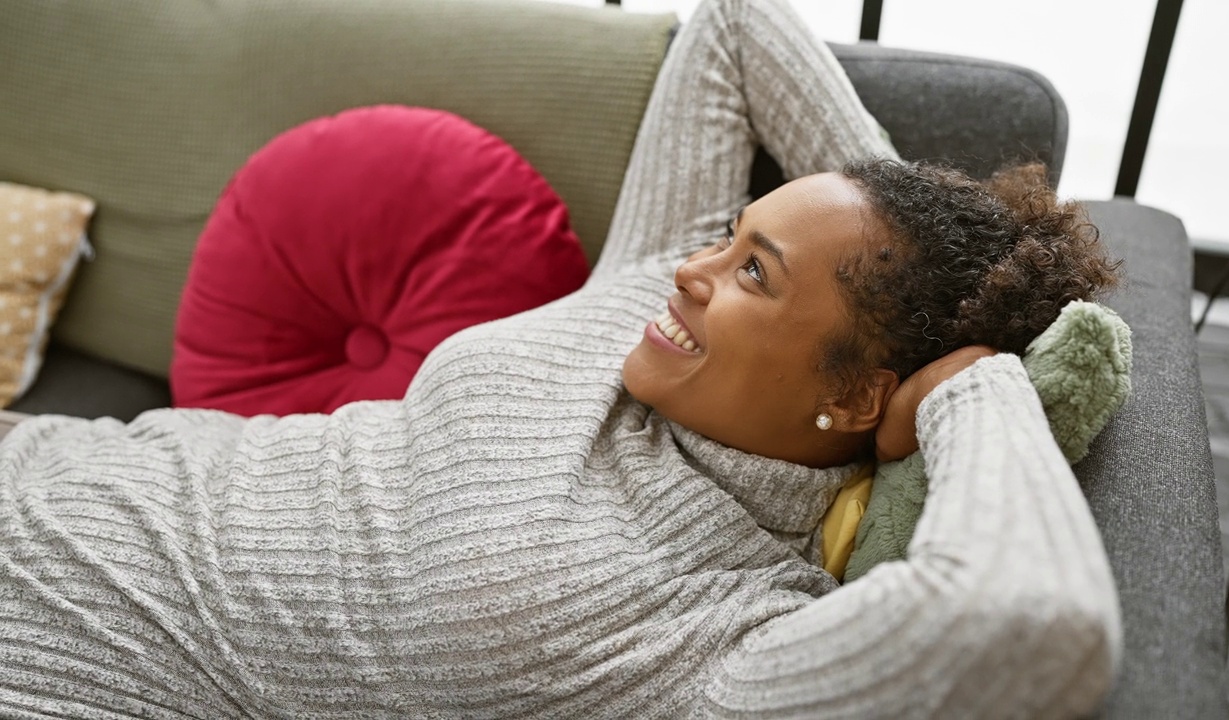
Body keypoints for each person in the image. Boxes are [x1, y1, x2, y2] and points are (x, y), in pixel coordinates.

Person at [0, 0, 1121, 717]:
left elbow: (1037, 630)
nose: (692, 268)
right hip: (52, 458)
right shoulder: (641, 311)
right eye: (725, 243)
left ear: (855, 392)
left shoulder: (723, 635)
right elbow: (733, 26)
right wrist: (894, 231)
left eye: (752, 274)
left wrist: (970, 379)